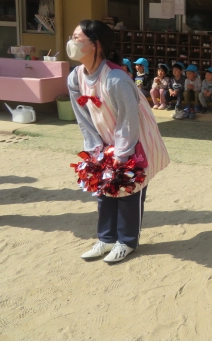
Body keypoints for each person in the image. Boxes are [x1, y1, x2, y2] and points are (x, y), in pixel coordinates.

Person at [67, 20, 170, 264]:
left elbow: (128, 120)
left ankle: (127, 241)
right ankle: (106, 238)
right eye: (72, 37)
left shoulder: (115, 79)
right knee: (103, 189)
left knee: (128, 190)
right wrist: (95, 151)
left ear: (96, 45)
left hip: (133, 140)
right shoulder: (75, 77)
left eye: (77, 38)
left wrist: (122, 153)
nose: (72, 42)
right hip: (103, 142)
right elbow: (83, 118)